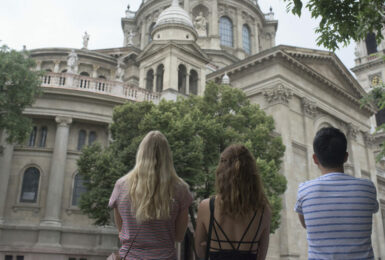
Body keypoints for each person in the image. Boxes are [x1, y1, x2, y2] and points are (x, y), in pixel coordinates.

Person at [295, 127, 379, 259]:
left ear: (315, 159)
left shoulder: (304, 190)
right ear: (346, 157)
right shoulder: (367, 188)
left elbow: (306, 224)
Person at [109, 131, 193, 259]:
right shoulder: (181, 189)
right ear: (167, 156)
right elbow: (179, 236)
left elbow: (121, 231)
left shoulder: (121, 186)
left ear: (141, 153)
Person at [194, 144, 271, 260]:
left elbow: (200, 250)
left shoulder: (207, 207)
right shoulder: (263, 211)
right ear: (252, 175)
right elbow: (262, 256)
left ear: (221, 172)